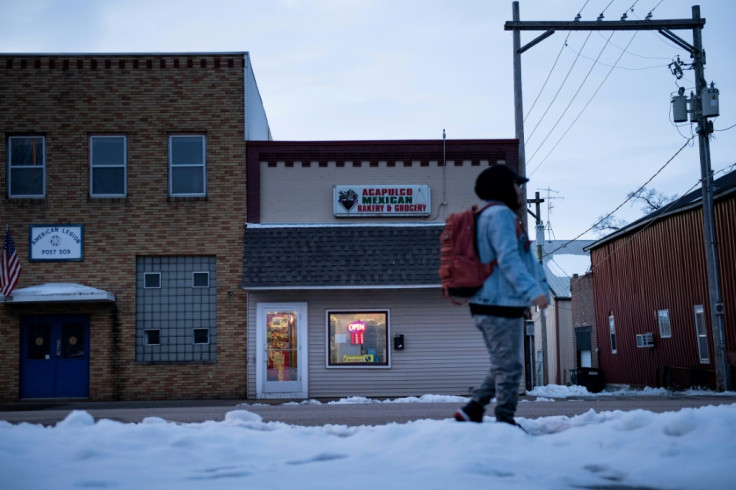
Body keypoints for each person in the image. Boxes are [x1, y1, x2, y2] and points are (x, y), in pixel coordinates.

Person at [454, 164, 549, 429]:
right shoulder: (501, 215)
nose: (519, 190)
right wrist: (534, 292)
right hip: (498, 303)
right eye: (516, 185)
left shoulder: (489, 215)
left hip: (495, 302)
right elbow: (508, 258)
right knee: (510, 367)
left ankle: (474, 408)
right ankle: (505, 421)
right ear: (504, 187)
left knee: (504, 363)